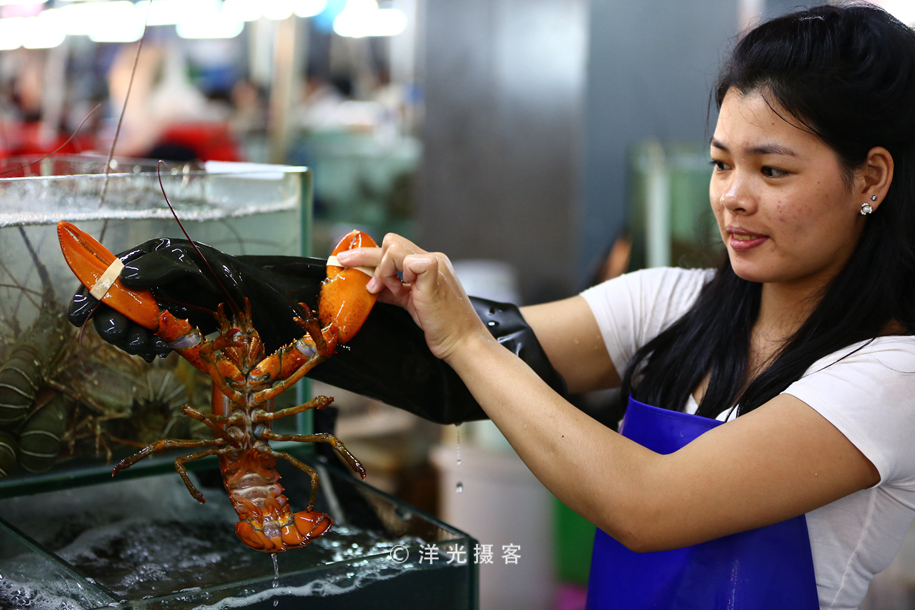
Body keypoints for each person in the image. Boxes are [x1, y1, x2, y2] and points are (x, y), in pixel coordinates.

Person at [68, 4, 915, 608]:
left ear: (870, 178)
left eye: (771, 171)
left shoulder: (890, 378)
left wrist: (466, 338)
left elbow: (648, 505)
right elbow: (453, 375)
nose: (730, 197)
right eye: (720, 163)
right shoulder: (675, 301)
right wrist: (218, 286)